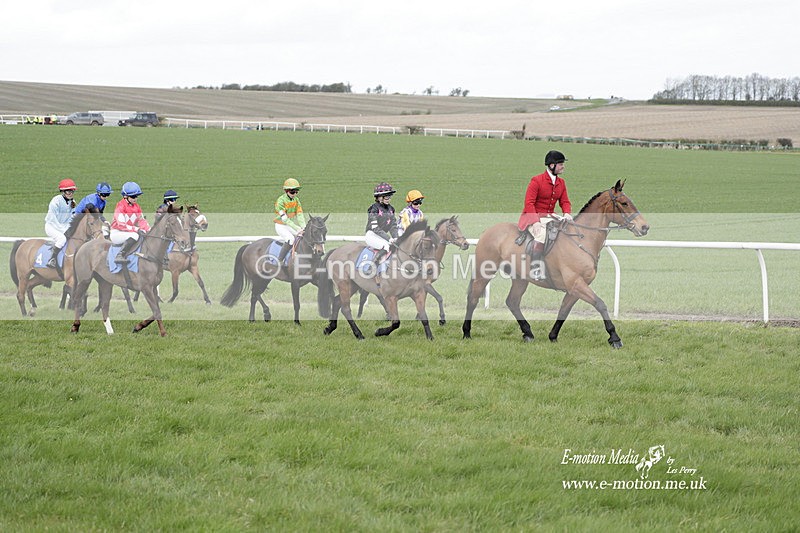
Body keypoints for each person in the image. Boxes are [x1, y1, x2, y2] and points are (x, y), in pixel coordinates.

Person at [516, 150, 573, 259]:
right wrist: (535, 221)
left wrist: (567, 213)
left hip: (550, 217)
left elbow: (565, 201)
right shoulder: (537, 181)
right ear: (552, 165)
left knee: (565, 231)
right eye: (560, 164)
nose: (563, 167)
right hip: (532, 217)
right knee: (541, 235)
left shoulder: (561, 183)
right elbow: (529, 203)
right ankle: (536, 265)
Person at [110, 181, 151, 264]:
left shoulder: (137, 207)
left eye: (136, 196)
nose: (135, 198)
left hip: (129, 232)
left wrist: (149, 230)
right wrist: (137, 229)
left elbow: (142, 221)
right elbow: (121, 225)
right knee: (135, 235)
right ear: (125, 196)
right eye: (133, 197)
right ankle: (119, 255)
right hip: (117, 233)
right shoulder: (120, 206)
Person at [44, 178, 77, 268]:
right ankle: (52, 259)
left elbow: (72, 218)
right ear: (63, 192)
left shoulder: (73, 202)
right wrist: (64, 230)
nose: (70, 193)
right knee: (62, 239)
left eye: (72, 191)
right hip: (51, 226)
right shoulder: (56, 201)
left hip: (63, 227)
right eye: (68, 191)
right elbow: (52, 219)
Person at [273, 178, 306, 263]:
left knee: (301, 237)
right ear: (286, 191)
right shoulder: (280, 201)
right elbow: (285, 219)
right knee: (290, 239)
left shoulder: (296, 200)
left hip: (288, 225)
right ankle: (280, 261)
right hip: (280, 226)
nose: (294, 194)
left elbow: (300, 215)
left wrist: (304, 227)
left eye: (296, 191)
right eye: (292, 192)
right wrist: (297, 228)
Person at [365, 182, 398, 265]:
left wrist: (396, 237)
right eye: (386, 196)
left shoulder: (391, 209)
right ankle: (371, 267)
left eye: (389, 196)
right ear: (379, 197)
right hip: (372, 235)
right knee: (386, 246)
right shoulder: (373, 209)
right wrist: (389, 238)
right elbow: (375, 228)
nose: (388, 198)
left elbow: (393, 226)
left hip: (382, 237)